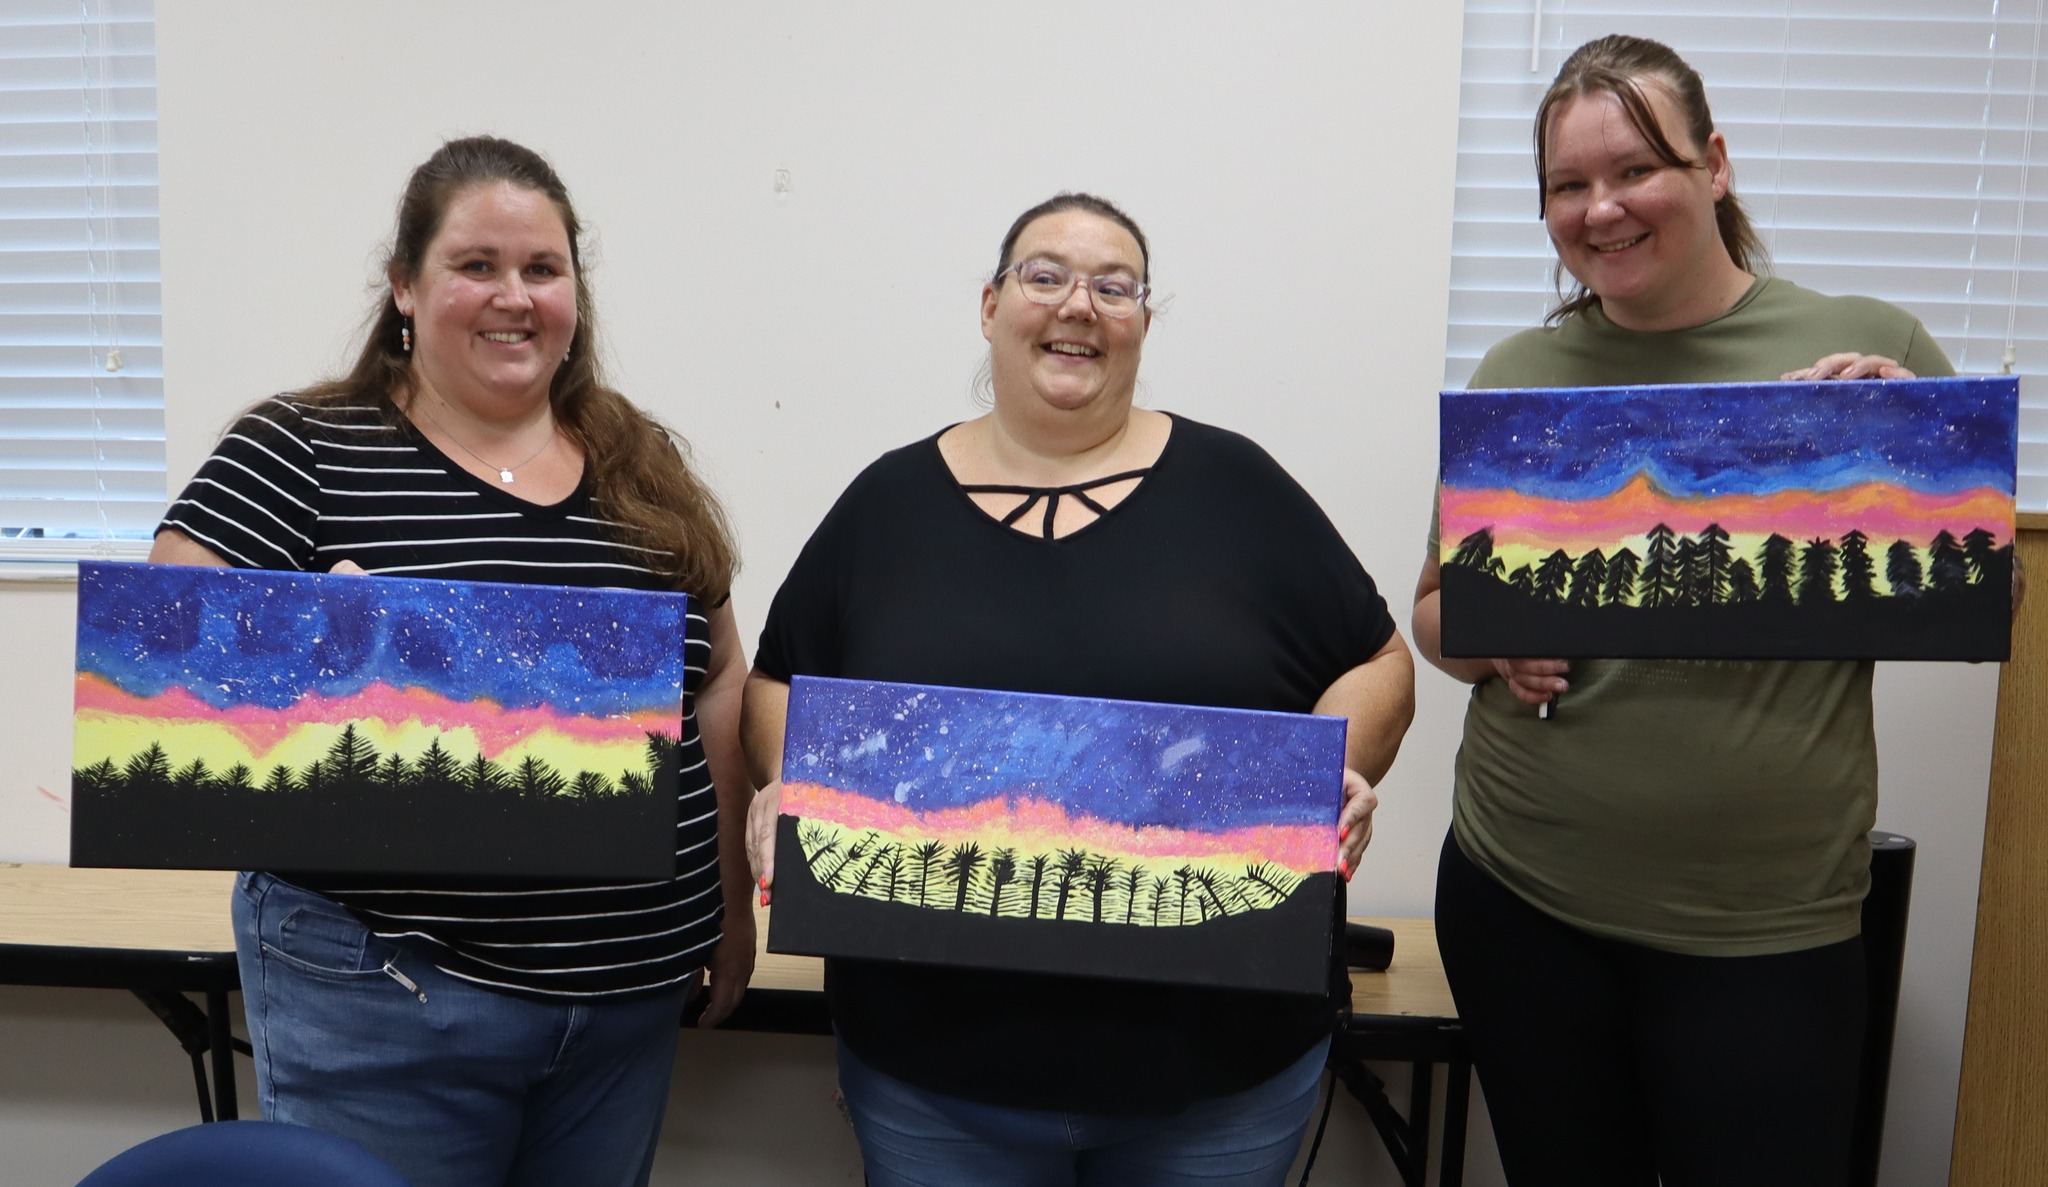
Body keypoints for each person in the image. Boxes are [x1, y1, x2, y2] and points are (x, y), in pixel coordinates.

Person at [741, 193, 1414, 1186]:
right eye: (1044, 275)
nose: (1078, 306)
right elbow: (777, 680)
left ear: (1143, 320)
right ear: (989, 304)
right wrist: (783, 781)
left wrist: (1329, 770)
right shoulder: (887, 503)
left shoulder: (1236, 488)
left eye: (1114, 286)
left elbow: (1382, 661)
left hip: (1218, 1074)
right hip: (933, 1075)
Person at [148, 136, 755, 1187]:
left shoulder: (636, 459)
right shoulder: (300, 448)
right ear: (404, 288)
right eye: (475, 265)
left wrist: (730, 906)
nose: (511, 296)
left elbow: (717, 683)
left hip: (624, 1004)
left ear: (574, 290)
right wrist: (307, 645)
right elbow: (164, 670)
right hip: (389, 999)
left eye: (541, 268)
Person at [1412, 35, 1955, 1187]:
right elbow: (1431, 613)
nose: (1598, 208)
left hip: (1766, 922)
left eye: (1633, 169)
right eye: (1567, 184)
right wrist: (1484, 634)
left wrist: (1922, 454)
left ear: (1713, 164)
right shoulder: (1519, 373)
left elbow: (1975, 600)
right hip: (1522, 893)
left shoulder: (1866, 351)